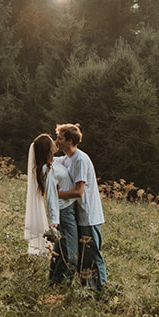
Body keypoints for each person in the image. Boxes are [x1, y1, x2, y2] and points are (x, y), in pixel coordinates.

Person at [54, 122, 106, 290]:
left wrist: (56, 195)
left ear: (70, 141)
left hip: (88, 215)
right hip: (79, 215)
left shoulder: (80, 159)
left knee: (92, 255)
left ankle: (99, 289)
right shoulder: (67, 159)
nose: (57, 141)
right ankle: (86, 288)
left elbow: (78, 191)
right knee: (83, 256)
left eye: (60, 138)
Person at [22, 133, 64, 265]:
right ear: (48, 147)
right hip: (63, 209)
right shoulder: (47, 169)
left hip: (67, 207)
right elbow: (51, 197)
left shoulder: (54, 162)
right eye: (52, 141)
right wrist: (53, 221)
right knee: (63, 250)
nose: (55, 142)